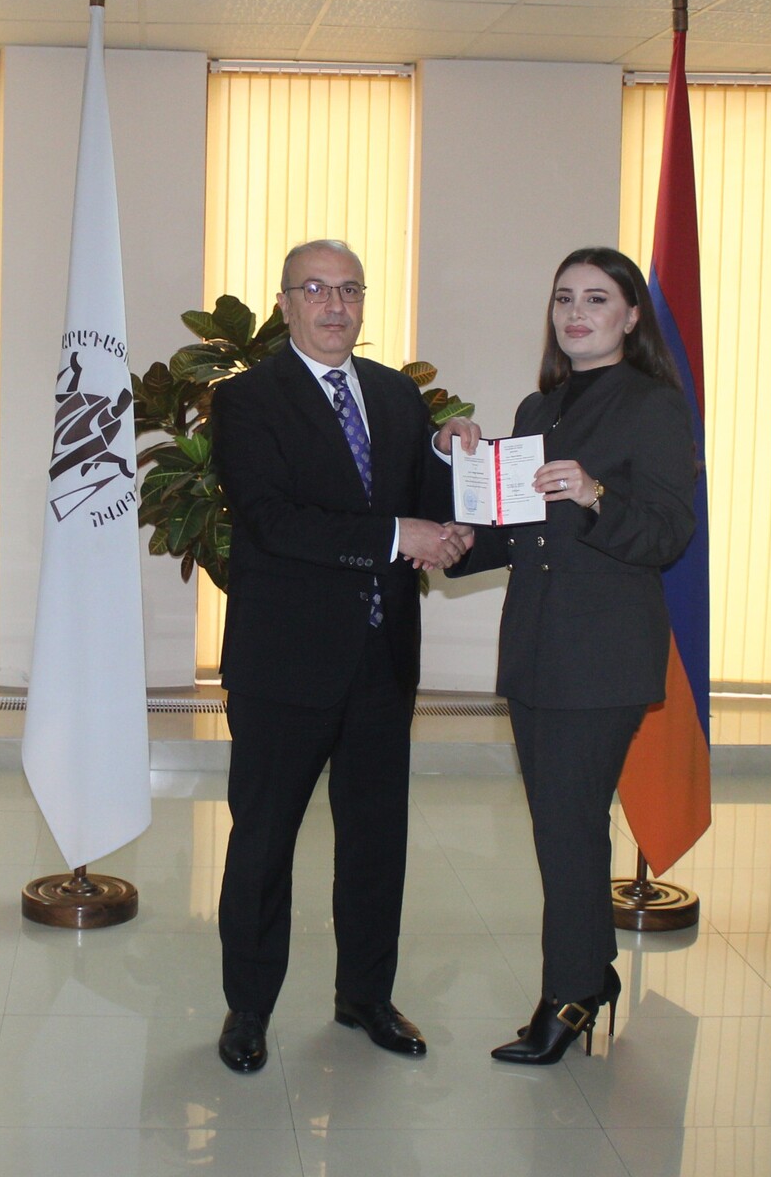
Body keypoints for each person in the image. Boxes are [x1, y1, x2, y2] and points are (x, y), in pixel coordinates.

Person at [210, 238, 479, 1073]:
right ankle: (249, 1008)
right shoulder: (246, 400)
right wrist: (400, 536)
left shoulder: (396, 394)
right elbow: (272, 520)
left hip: (381, 659)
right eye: (316, 290)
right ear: (284, 304)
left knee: (374, 842)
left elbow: (421, 505)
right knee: (264, 844)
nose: (335, 305)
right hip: (284, 664)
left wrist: (446, 457)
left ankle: (365, 996)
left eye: (350, 290)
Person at [451, 246, 697, 1065]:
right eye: (564, 298)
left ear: (631, 316)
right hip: (536, 646)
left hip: (602, 654)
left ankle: (570, 994)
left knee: (567, 828)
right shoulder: (538, 407)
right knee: (562, 825)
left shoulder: (653, 405)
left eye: (596, 298)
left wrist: (595, 494)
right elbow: (519, 530)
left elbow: (667, 535)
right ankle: (590, 974)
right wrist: (451, 535)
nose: (576, 312)